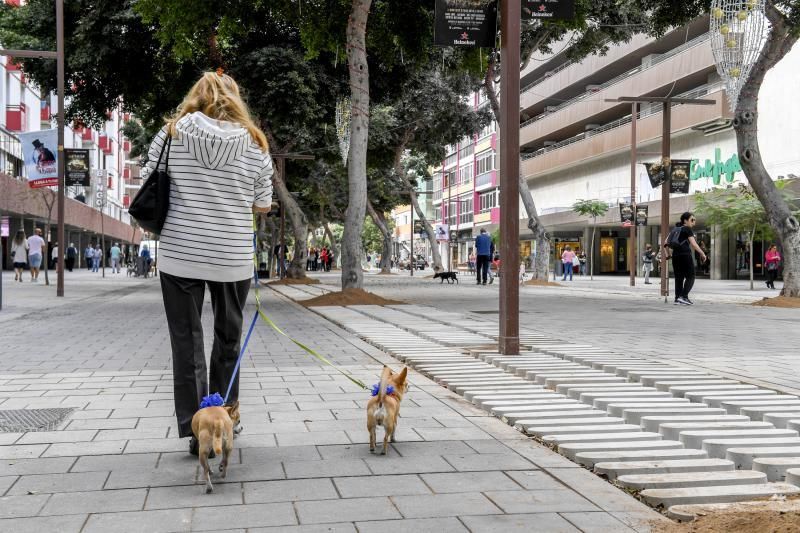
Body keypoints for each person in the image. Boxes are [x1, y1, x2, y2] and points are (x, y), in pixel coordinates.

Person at [145, 71, 273, 455]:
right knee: (228, 341)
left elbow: (153, 177)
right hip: (231, 257)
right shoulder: (254, 143)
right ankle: (226, 418)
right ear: (235, 99)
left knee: (186, 343)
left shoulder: (171, 133)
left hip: (179, 254)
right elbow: (262, 203)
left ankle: (195, 428)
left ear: (195, 97)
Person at [663, 211, 706, 305]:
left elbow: (665, 243)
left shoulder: (675, 229)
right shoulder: (687, 229)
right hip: (685, 255)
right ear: (685, 221)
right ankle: (683, 296)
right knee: (691, 276)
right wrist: (702, 253)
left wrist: (668, 255)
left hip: (675, 256)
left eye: (694, 220)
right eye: (692, 220)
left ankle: (677, 298)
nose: (694, 222)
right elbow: (694, 244)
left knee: (679, 278)